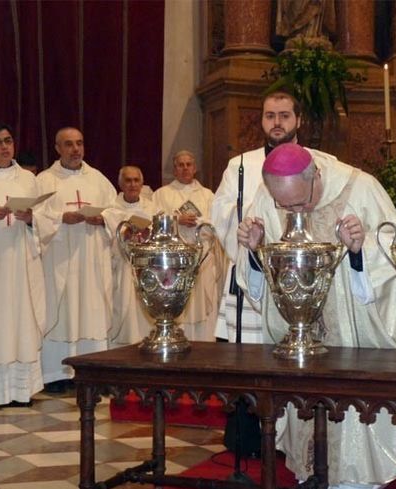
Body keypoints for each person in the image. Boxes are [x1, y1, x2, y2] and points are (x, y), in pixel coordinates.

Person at [236, 143, 396, 489]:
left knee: (351, 422)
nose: (294, 212)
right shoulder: (266, 196)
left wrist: (359, 252)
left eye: (301, 204)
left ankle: (357, 478)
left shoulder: (360, 187)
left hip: (353, 333)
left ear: (316, 175)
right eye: (284, 207)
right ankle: (308, 472)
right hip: (298, 336)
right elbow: (255, 279)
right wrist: (255, 251)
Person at [211, 90, 303, 344]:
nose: (276, 122)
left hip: (298, 274)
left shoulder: (315, 163)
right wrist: (248, 230)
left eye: (284, 116)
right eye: (270, 116)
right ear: (262, 120)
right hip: (249, 270)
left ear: (298, 120)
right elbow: (220, 215)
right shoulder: (240, 165)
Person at [36, 127, 117, 391]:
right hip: (60, 261)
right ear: (57, 149)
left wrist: (103, 219)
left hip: (92, 260)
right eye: (69, 144)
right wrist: (61, 218)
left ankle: (93, 372)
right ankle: (56, 374)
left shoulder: (98, 179)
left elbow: (117, 211)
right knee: (61, 311)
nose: (76, 150)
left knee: (91, 310)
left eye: (80, 143)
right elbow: (35, 217)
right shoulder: (45, 181)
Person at [0, 123, 45, 411]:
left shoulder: (28, 180)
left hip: (21, 262)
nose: (5, 147)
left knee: (20, 320)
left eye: (8, 141)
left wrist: (31, 219)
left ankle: (20, 390)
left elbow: (45, 218)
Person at [153, 150, 226, 341]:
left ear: (195, 169)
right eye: (180, 165)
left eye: (189, 164)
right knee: (179, 302)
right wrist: (176, 220)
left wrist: (199, 221)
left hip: (202, 257)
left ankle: (205, 344)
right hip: (175, 261)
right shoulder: (162, 194)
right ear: (174, 169)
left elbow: (217, 223)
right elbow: (155, 223)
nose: (185, 168)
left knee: (203, 302)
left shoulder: (207, 194)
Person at [101, 166, 157, 346]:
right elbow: (105, 239)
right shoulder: (110, 209)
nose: (132, 184)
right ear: (120, 184)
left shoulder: (153, 208)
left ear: (142, 183)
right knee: (123, 310)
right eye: (128, 180)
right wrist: (124, 235)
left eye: (136, 180)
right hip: (121, 267)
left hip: (148, 269)